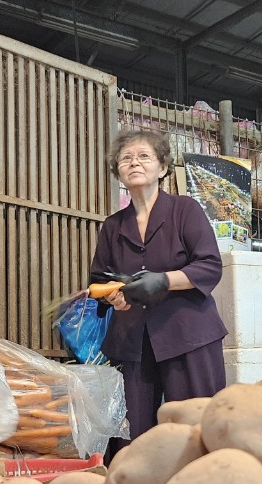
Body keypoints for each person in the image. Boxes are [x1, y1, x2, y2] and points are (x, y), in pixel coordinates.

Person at [89, 130, 228, 450]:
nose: (133, 162)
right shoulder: (112, 226)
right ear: (118, 172)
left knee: (196, 426)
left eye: (143, 156)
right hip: (132, 341)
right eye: (125, 158)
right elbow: (99, 278)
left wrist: (165, 280)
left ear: (163, 168)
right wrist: (114, 297)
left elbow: (209, 265)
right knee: (130, 436)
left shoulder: (185, 210)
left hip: (188, 334)